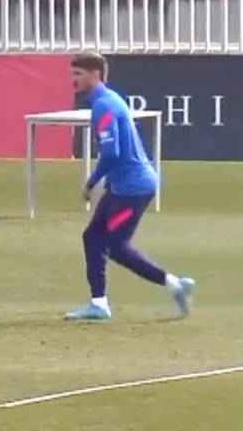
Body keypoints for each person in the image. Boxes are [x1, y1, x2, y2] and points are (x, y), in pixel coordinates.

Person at [66, 52, 195, 321]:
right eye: (72, 74)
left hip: (132, 190)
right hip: (122, 187)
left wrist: (90, 182)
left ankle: (176, 285)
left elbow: (111, 153)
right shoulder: (107, 101)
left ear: (95, 74)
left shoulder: (104, 105)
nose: (73, 80)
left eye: (78, 74)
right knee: (92, 237)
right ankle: (99, 304)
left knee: (116, 245)